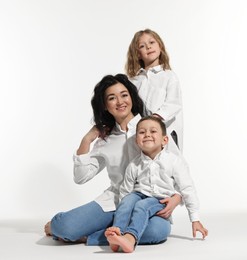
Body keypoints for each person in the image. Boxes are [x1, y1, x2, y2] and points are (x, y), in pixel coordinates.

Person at [44, 74, 182, 245]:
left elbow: (178, 168)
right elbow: (81, 177)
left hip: (151, 202)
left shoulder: (151, 127)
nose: (120, 101)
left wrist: (177, 198)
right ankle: (106, 229)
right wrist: (87, 140)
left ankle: (93, 236)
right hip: (115, 201)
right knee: (64, 228)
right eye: (112, 98)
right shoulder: (106, 139)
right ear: (105, 105)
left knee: (157, 231)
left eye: (124, 95)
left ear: (131, 96)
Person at [105, 116, 208, 253]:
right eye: (142, 132)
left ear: (164, 140)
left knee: (143, 205)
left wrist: (195, 219)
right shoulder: (134, 164)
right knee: (127, 200)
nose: (147, 134)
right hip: (138, 194)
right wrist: (124, 208)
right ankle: (117, 233)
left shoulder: (174, 161)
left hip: (161, 198)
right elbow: (125, 190)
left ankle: (130, 239)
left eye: (153, 131)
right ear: (137, 141)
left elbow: (187, 189)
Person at [125, 28, 183, 152]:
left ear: (160, 46)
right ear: (138, 54)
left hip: (166, 133)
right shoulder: (134, 81)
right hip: (144, 136)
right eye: (142, 45)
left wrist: (155, 119)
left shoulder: (169, 76)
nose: (148, 47)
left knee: (168, 166)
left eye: (152, 43)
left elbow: (174, 104)